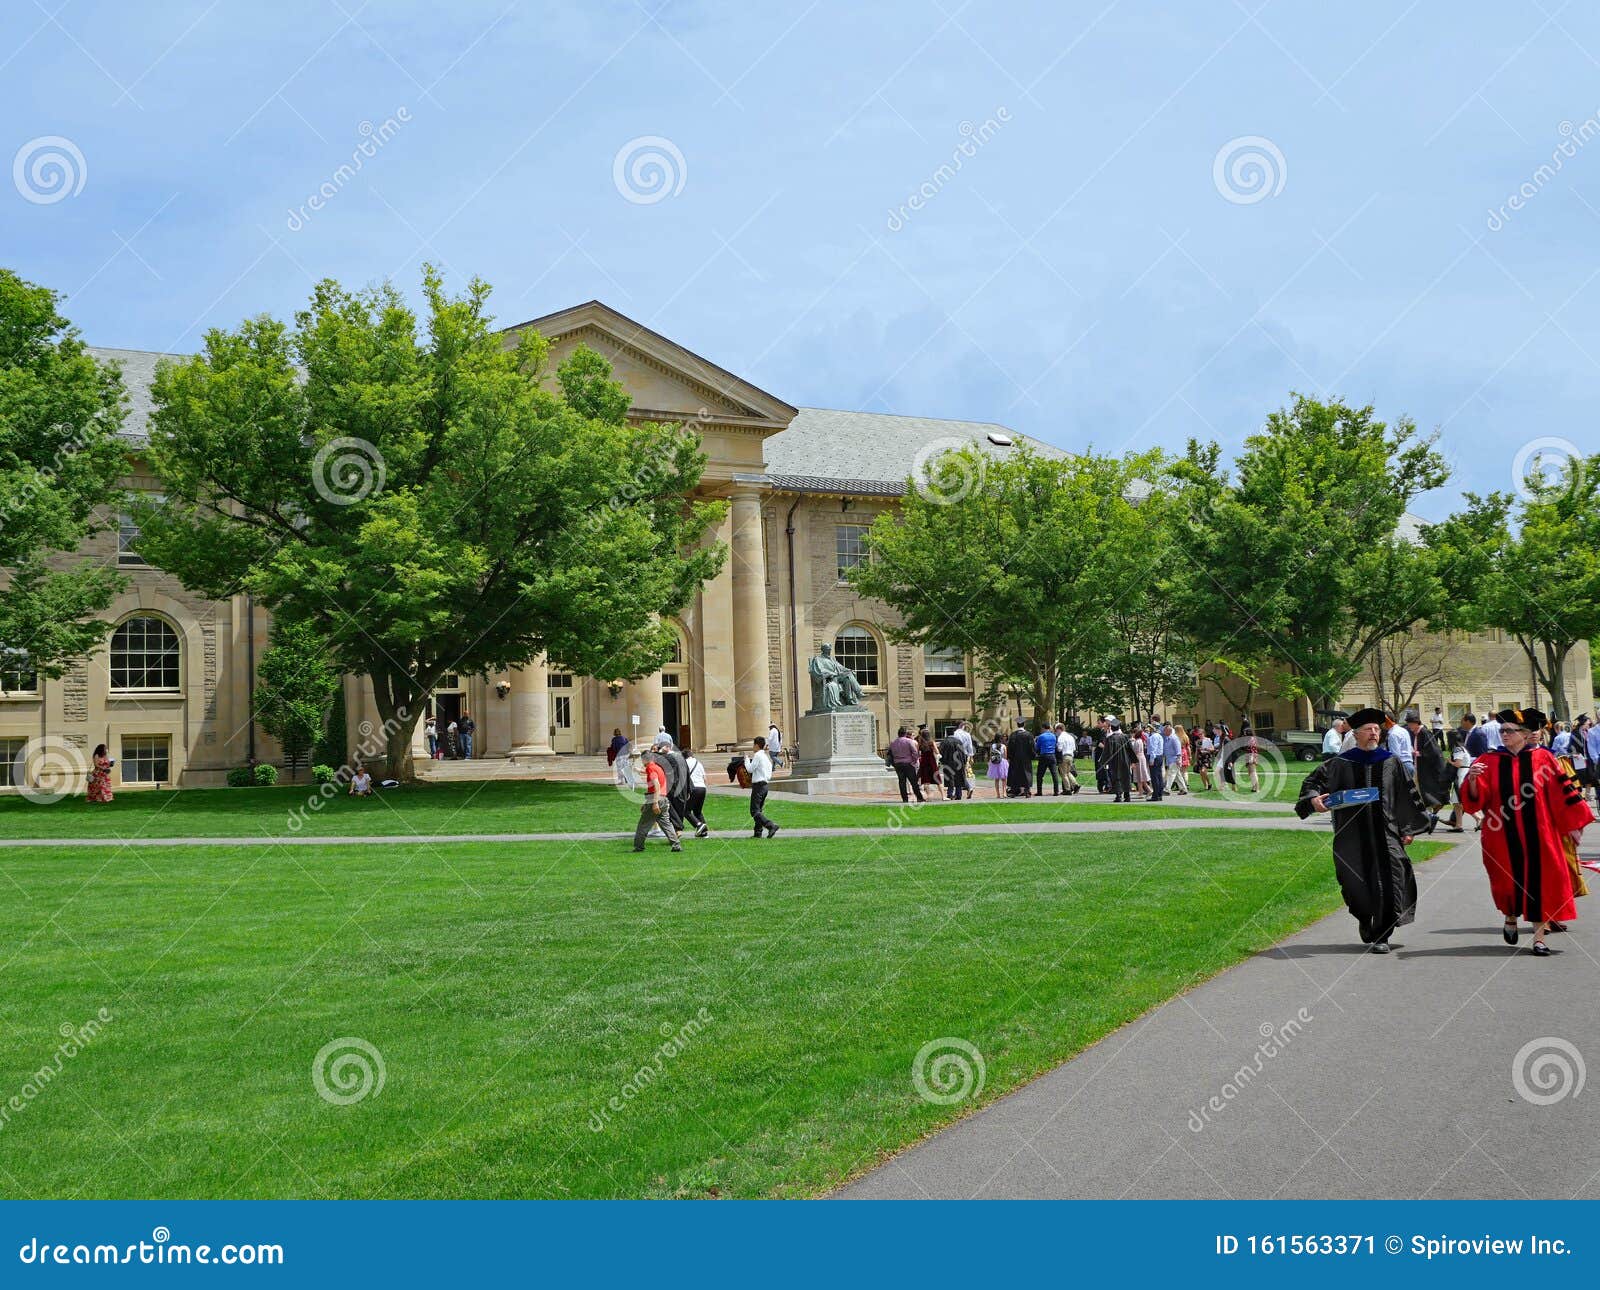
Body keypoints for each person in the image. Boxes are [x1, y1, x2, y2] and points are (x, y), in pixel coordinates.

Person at [1460, 707, 1592, 956]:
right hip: (1501, 836)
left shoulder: (1543, 759)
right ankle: (1510, 916)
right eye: (1502, 731)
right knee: (1507, 882)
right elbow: (1476, 802)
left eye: (1510, 731)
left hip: (1541, 835)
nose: (1504, 735)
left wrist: (1573, 824)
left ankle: (1539, 939)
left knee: (1541, 882)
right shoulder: (1487, 761)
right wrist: (1474, 780)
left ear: (1524, 733)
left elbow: (1561, 795)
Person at [1296, 707, 1429, 952]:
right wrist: (1314, 800)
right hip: (1351, 835)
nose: (1373, 733)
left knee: (1392, 877)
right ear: (1355, 735)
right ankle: (1364, 919)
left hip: (1386, 832)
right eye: (1368, 729)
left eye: (1377, 729)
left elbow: (1405, 796)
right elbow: (1311, 783)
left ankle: (1382, 934)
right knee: (1353, 882)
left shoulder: (1391, 762)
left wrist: (1407, 828)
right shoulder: (1340, 763)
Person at [1405, 709, 1453, 828]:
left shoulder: (1424, 733)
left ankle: (1430, 815)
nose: (1409, 726)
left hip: (1428, 769)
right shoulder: (1416, 733)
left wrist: (1417, 753)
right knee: (1419, 793)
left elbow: (1435, 752)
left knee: (1424, 791)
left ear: (1416, 723)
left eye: (1410, 723)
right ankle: (1428, 817)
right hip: (1419, 768)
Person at [632, 748, 682, 853]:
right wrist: (637, 770)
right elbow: (649, 773)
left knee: (643, 825)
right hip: (663, 799)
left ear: (644, 759)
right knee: (666, 824)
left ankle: (638, 846)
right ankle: (676, 845)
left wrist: (654, 803)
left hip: (656, 799)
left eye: (642, 760)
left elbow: (656, 785)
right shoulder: (657, 767)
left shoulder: (651, 769)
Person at [744, 737, 779, 838]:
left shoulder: (758, 755)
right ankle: (758, 833)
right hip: (765, 785)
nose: (752, 747)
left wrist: (746, 760)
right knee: (759, 810)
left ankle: (771, 825)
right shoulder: (765, 757)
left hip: (758, 786)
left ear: (756, 745)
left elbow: (750, 769)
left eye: (753, 745)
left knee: (754, 811)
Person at [889, 726, 922, 803]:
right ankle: (919, 797)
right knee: (913, 782)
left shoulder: (893, 743)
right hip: (908, 763)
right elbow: (915, 752)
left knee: (902, 782)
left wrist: (895, 763)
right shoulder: (909, 741)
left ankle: (905, 799)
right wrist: (914, 761)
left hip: (898, 764)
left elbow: (891, 754)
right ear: (905, 734)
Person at [682, 745, 710, 838]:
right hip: (702, 788)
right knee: (698, 811)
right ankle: (704, 832)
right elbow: (705, 778)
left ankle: (699, 825)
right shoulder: (699, 763)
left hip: (693, 788)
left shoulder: (684, 763)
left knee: (686, 811)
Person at [1103, 719, 1133, 803]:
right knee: (1126, 776)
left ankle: (1118, 796)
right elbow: (1130, 749)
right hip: (1126, 759)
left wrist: (1104, 761)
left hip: (1115, 761)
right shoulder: (1125, 737)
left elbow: (1107, 751)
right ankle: (1127, 796)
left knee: (1117, 777)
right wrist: (1133, 760)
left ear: (1112, 728)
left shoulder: (1110, 738)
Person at [1005, 719, 1034, 798]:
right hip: (1026, 758)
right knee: (1026, 773)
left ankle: (1014, 791)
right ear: (1024, 724)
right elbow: (1031, 747)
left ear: (1017, 725)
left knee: (1015, 774)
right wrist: (1032, 756)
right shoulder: (1028, 735)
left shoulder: (1013, 735)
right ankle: (1027, 791)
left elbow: (1010, 747)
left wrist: (1009, 757)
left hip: (1015, 758)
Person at [939, 728, 969, 800]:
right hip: (959, 762)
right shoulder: (959, 741)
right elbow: (963, 753)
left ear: (946, 733)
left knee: (950, 778)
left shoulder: (944, 742)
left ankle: (950, 794)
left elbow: (941, 753)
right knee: (958, 777)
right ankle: (958, 794)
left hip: (948, 762)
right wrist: (964, 762)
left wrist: (942, 761)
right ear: (953, 733)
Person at [1034, 721, 1061, 796]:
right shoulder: (1054, 736)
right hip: (1052, 755)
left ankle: (1039, 791)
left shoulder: (1041, 736)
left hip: (1044, 755)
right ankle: (1056, 791)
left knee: (1040, 775)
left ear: (1043, 728)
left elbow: (1037, 747)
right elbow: (1055, 745)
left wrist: (1035, 741)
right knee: (1054, 774)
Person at [1146, 720, 1166, 802]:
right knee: (1159, 776)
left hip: (1154, 757)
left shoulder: (1153, 737)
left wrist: (1151, 759)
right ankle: (1159, 794)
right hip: (1160, 756)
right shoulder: (1160, 736)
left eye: (1150, 727)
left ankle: (1155, 795)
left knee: (1154, 777)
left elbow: (1153, 749)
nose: (1149, 729)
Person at [1168, 723, 1189, 794]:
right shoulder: (1185, 736)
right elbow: (1188, 746)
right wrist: (1190, 755)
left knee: (1174, 772)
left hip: (1178, 753)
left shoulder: (1175, 737)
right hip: (1184, 752)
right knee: (1181, 772)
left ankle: (1167, 788)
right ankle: (1184, 787)